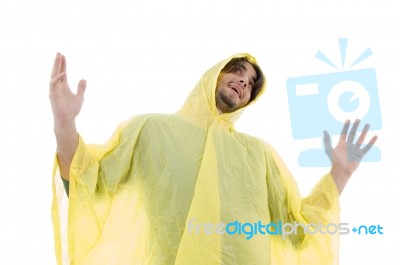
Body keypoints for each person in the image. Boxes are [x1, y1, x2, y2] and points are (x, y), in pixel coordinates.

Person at [49, 52, 377, 265]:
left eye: (250, 84)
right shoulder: (149, 129)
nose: (243, 82)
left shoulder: (259, 155)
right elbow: (85, 178)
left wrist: (340, 173)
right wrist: (64, 122)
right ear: (213, 75)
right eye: (236, 72)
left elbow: (297, 229)